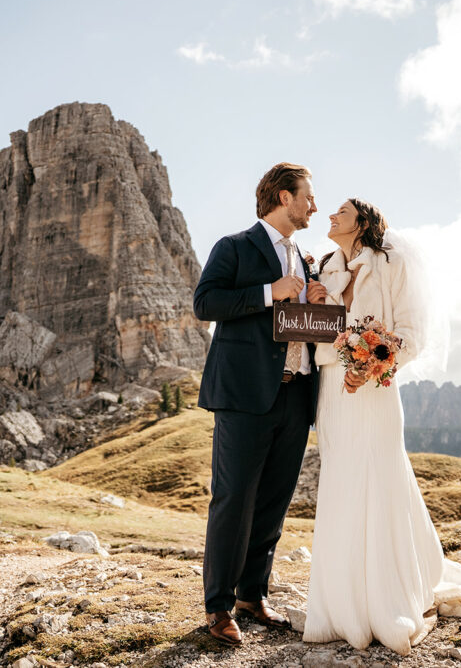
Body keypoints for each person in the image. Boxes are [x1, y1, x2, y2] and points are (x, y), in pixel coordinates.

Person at [304, 198, 461, 654]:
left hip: (375, 391)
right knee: (342, 485)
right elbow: (320, 329)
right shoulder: (326, 266)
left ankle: (387, 598)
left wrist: (370, 364)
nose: (330, 216)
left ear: (363, 222)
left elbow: (411, 332)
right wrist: (316, 302)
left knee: (379, 480)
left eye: (341, 212)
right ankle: (339, 604)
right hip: (332, 389)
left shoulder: (393, 263)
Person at [194, 162, 328, 645]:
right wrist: (269, 292)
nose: (314, 205)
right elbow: (205, 304)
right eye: (308, 197)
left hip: (295, 393)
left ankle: (254, 594)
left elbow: (306, 327)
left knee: (273, 501)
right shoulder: (233, 247)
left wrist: (313, 301)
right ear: (283, 197)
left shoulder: (307, 259)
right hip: (245, 396)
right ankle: (219, 607)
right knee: (234, 500)